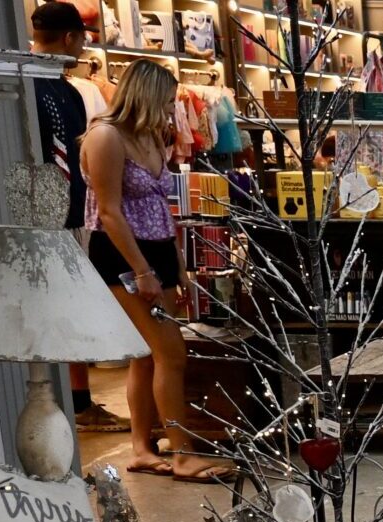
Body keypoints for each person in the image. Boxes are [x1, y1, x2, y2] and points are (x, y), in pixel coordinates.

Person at [81, 60, 231, 481]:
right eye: (166, 101)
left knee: (147, 355)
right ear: (145, 95)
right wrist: (143, 270)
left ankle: (143, 449)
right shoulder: (105, 136)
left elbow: (162, 208)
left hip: (158, 249)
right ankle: (182, 453)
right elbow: (109, 212)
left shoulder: (149, 135)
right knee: (172, 354)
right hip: (125, 255)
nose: (172, 110)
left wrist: (178, 265)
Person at [29, 2, 128, 436]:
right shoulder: (36, 84)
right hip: (48, 214)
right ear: (70, 37)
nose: (86, 44)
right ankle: (71, 403)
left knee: (70, 306)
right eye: (83, 36)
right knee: (60, 308)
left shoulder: (61, 87)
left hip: (64, 210)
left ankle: (78, 401)